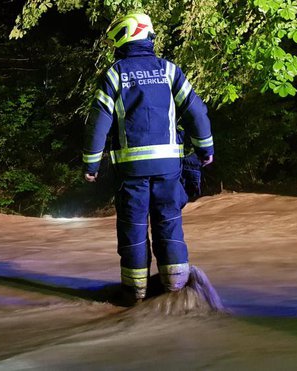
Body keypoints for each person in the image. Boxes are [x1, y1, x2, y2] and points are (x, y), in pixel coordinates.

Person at [83, 13, 214, 304]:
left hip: (131, 172)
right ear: (148, 35)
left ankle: (136, 295)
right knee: (169, 224)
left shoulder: (115, 74)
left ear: (123, 38)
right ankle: (177, 292)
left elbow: (98, 124)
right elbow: (196, 112)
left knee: (134, 228)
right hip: (169, 168)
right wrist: (206, 149)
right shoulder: (169, 71)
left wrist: (91, 165)